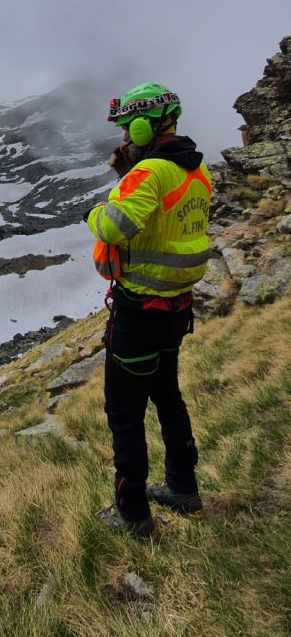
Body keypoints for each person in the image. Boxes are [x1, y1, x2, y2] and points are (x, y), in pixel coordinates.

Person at [86, 83, 212, 537]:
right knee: (168, 399)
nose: (126, 135)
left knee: (124, 413)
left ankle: (133, 514)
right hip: (175, 312)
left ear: (146, 123)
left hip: (139, 315)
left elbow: (115, 223)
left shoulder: (150, 172)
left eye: (128, 126)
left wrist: (100, 207)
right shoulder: (197, 173)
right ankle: (183, 487)